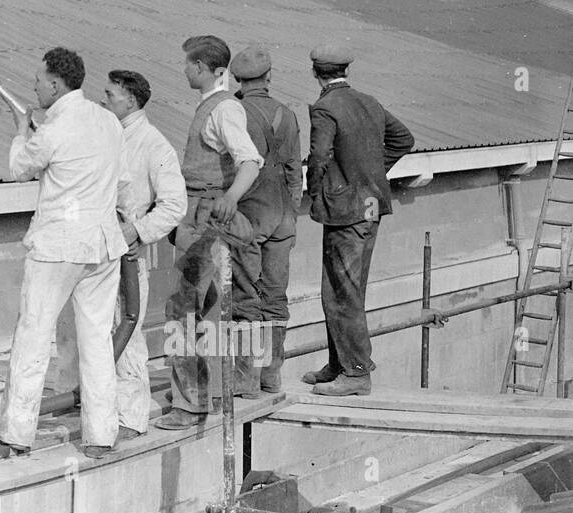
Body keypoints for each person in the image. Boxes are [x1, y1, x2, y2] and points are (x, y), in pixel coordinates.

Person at [0, 47, 128, 458]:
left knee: (33, 333)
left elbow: (20, 168)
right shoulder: (108, 121)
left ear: (56, 84)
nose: (34, 86)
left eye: (40, 80)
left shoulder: (53, 130)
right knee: (97, 338)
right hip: (102, 244)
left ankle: (15, 431)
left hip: (59, 246)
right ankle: (101, 435)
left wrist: (20, 130)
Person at [54, 70, 187, 436]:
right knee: (90, 333)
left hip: (127, 259)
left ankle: (130, 417)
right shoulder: (106, 136)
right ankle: (97, 412)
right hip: (93, 252)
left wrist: (137, 230)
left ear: (130, 100)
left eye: (109, 95)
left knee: (125, 334)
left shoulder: (154, 145)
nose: (102, 100)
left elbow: (175, 205)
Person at [155, 35, 263, 430]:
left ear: (203, 69)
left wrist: (230, 198)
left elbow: (249, 161)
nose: (184, 70)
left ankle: (190, 405)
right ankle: (209, 392)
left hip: (205, 220)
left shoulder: (223, 111)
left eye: (188, 64)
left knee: (185, 310)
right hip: (198, 214)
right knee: (209, 308)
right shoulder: (213, 107)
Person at [304, 44, 416, 395]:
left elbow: (319, 157)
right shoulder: (369, 101)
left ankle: (355, 373)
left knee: (343, 293)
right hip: (368, 208)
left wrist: (318, 191)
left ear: (315, 73)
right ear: (346, 72)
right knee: (337, 290)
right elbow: (403, 139)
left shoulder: (325, 108)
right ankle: (340, 363)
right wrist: (372, 174)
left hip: (345, 213)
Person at [226, 45, 303, 397]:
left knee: (245, 296)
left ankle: (246, 380)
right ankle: (271, 375)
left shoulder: (234, 112)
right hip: (283, 216)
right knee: (275, 295)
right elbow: (294, 172)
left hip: (248, 216)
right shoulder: (287, 114)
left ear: (235, 79)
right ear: (269, 76)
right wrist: (291, 214)